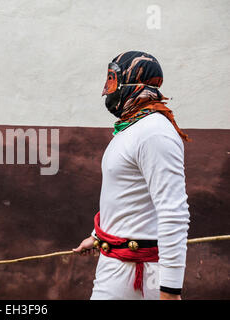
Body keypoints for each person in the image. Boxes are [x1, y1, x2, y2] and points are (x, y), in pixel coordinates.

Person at [73, 51, 191, 300]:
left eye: (113, 81)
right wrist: (96, 237)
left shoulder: (155, 133)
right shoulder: (132, 128)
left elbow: (173, 211)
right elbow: (126, 197)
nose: (107, 91)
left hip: (140, 273)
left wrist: (169, 290)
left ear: (133, 85)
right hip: (114, 264)